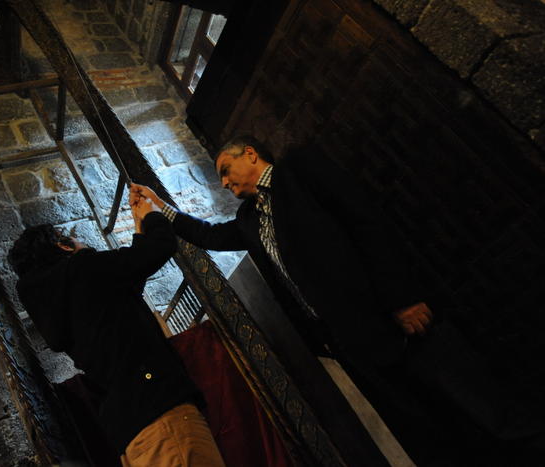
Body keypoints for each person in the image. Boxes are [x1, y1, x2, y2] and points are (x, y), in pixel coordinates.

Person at [130, 134, 544, 464]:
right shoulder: (248, 219)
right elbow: (208, 236)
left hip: (394, 317)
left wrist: (402, 298)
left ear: (250, 155)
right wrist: (159, 208)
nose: (224, 181)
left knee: (484, 403)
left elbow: (367, 225)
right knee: (433, 428)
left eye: (225, 170)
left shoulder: (300, 172)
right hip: (354, 344)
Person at [7, 194, 226, 467]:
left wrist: (139, 226)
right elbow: (160, 247)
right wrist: (153, 212)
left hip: (131, 430)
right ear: (63, 245)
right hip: (159, 412)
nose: (82, 243)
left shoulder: (62, 299)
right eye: (74, 239)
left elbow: (127, 287)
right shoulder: (82, 268)